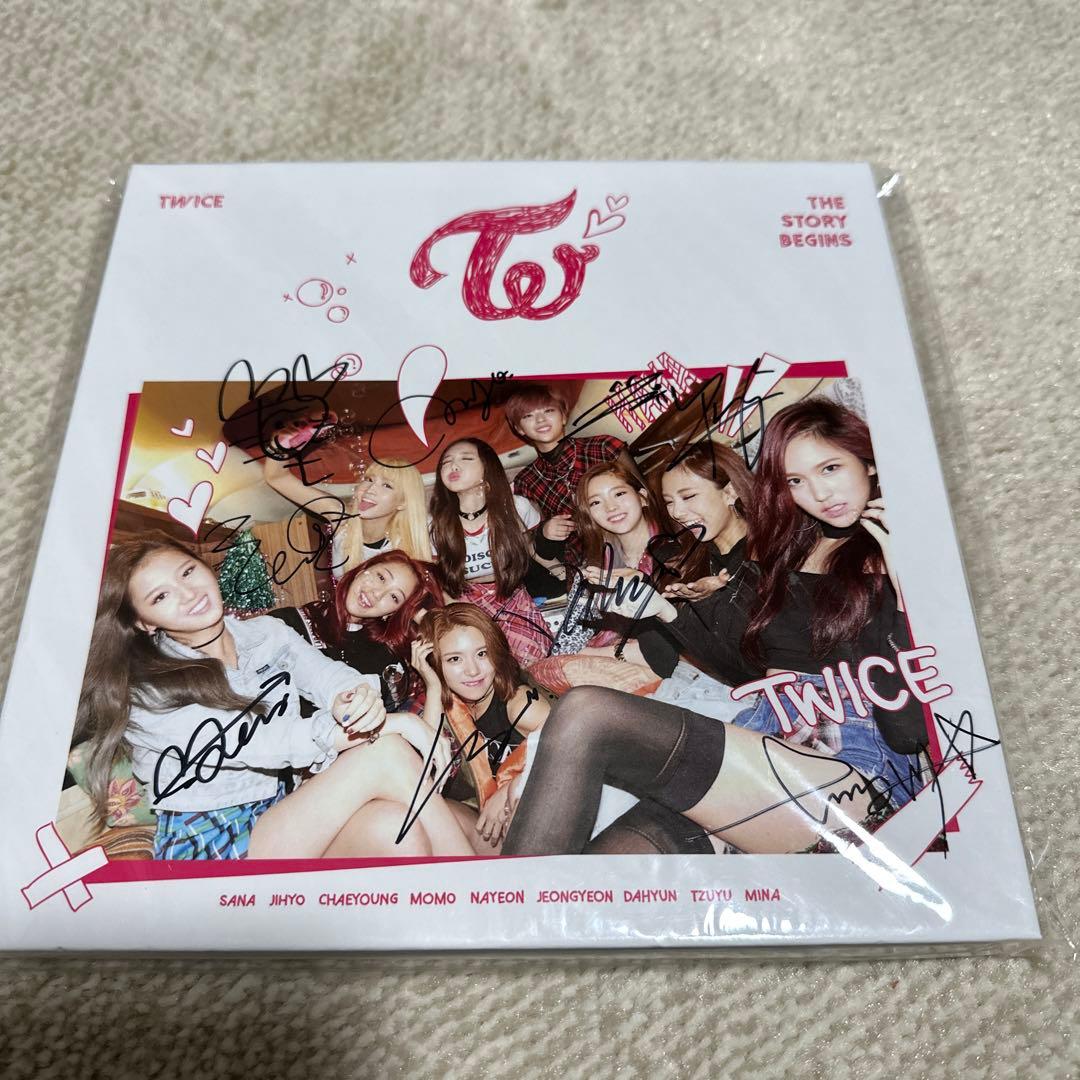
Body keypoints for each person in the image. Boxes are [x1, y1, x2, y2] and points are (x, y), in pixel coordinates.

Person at [73, 536, 470, 860]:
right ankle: (480, 891)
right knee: (386, 753)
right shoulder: (145, 690)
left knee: (397, 829)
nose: (189, 593)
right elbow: (261, 741)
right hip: (214, 841)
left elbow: (324, 674)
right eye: (161, 596)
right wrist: (391, 724)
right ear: (143, 621)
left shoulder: (266, 633)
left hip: (280, 813)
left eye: (187, 572)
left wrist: (352, 699)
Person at [410, 604, 551, 853]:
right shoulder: (452, 702)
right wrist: (432, 686)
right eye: (455, 659)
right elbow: (424, 772)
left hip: (532, 819)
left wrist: (511, 787)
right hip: (483, 819)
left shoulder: (521, 705)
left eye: (482, 654)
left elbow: (574, 756)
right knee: (423, 813)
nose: (473, 670)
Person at [429, 438, 551, 665]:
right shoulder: (434, 524)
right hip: (465, 603)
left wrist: (561, 571)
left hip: (511, 596)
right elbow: (433, 577)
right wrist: (454, 611)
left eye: (466, 459)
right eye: (446, 462)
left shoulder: (516, 507)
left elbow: (532, 550)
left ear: (488, 467)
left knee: (535, 664)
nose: (453, 466)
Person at [267, 550, 444, 696]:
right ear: (363, 569)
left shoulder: (384, 661)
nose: (377, 593)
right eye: (381, 577)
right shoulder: (288, 621)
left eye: (394, 597)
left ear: (393, 612)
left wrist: (419, 614)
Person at [261, 449, 432, 582]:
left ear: (403, 502)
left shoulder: (414, 540)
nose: (370, 489)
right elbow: (277, 477)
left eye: (387, 485)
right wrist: (281, 445)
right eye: (369, 479)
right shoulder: (342, 519)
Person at [504, 382, 631, 558]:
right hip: (581, 563)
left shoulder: (604, 447)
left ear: (564, 416)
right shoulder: (525, 481)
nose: (540, 420)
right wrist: (544, 531)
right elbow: (530, 542)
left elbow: (645, 496)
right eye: (528, 415)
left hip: (632, 544)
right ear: (519, 428)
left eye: (548, 411)